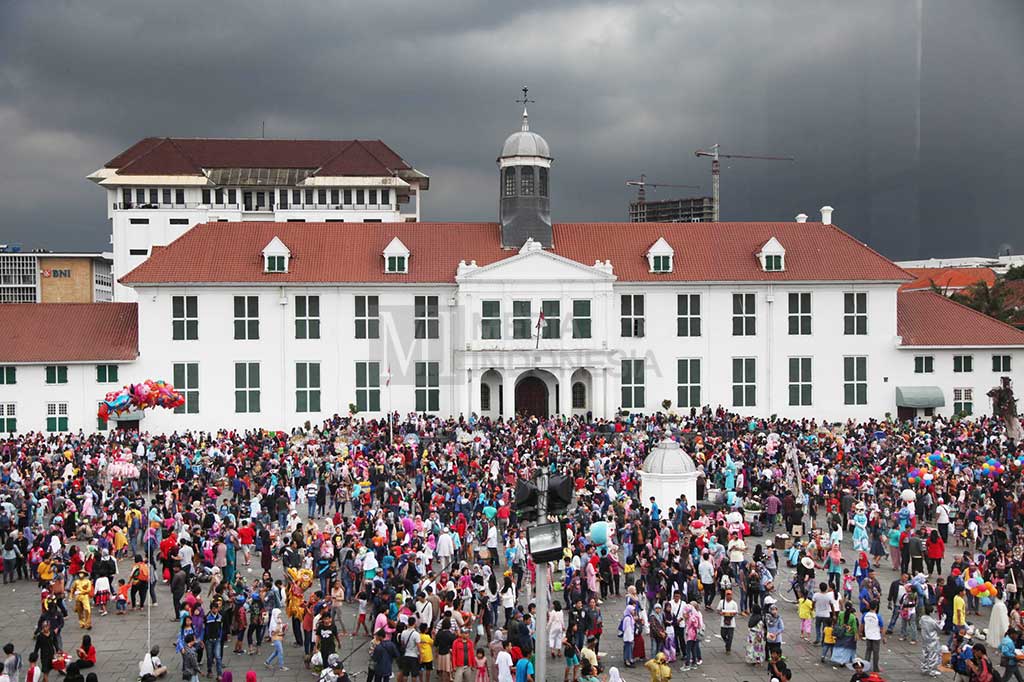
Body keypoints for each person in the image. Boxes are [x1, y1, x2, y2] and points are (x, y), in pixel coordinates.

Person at [860, 601, 885, 673]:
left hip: (868, 636)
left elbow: (862, 625)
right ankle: (875, 667)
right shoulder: (878, 616)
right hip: (876, 637)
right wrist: (884, 637)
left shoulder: (865, 615)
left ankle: (865, 666)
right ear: (876, 607)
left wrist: (860, 633)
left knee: (868, 651)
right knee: (876, 653)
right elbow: (882, 628)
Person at [920, 605, 943, 677]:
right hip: (932, 639)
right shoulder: (932, 621)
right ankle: (932, 670)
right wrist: (943, 621)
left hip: (924, 639)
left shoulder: (922, 618)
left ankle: (924, 667)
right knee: (933, 655)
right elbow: (939, 628)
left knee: (925, 653)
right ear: (931, 612)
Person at [717, 589, 739, 654]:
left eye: (730, 594)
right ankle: (727, 643)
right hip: (723, 622)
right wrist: (720, 613)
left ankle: (728, 649)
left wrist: (732, 614)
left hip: (731, 622)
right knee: (723, 634)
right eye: (727, 594)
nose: (729, 596)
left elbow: (736, 612)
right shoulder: (722, 602)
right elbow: (718, 610)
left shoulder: (734, 603)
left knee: (730, 636)